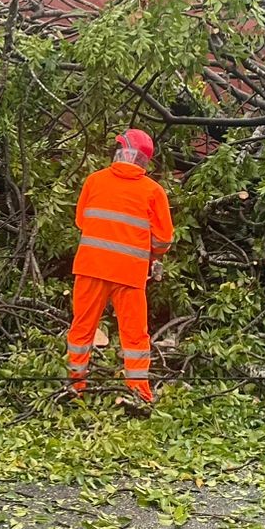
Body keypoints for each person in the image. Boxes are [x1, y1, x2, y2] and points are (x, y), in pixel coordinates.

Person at [67, 129, 174, 406]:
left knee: (81, 329)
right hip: (130, 273)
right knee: (135, 335)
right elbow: (163, 240)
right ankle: (139, 393)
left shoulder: (94, 181)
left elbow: (81, 221)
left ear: (120, 151)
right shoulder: (153, 191)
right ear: (144, 160)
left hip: (91, 268)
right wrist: (153, 255)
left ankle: (75, 386)